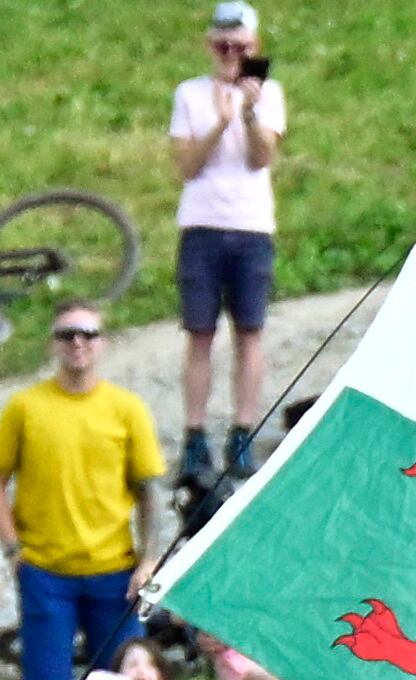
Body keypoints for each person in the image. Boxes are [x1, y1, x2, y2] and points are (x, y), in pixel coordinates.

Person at [0, 306, 167, 680]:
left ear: (102, 343)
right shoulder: (25, 407)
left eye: (87, 333)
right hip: (46, 572)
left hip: (115, 571)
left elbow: (149, 490)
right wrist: (12, 550)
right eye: (67, 334)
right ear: (52, 344)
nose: (77, 342)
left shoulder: (126, 408)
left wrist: (150, 559)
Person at [169, 2, 288, 477]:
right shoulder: (190, 94)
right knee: (199, 332)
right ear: (209, 46)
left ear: (254, 47)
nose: (230, 54)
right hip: (201, 223)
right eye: (222, 45)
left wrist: (250, 111)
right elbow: (186, 165)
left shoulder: (270, 94)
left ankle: (242, 430)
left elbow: (262, 159)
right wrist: (219, 121)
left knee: (250, 331)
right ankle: (195, 433)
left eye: (239, 46)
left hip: (251, 224)